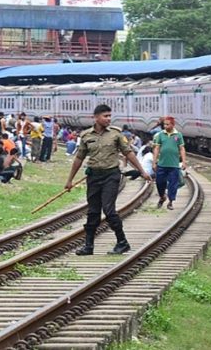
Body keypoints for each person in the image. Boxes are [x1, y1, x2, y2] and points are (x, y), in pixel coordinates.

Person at [64, 104, 152, 255]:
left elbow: (129, 153)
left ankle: (122, 242)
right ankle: (88, 246)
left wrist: (142, 171)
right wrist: (70, 180)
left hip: (111, 176)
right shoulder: (86, 136)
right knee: (93, 212)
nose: (108, 119)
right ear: (96, 117)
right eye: (105, 116)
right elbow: (79, 158)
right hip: (93, 177)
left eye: (110, 116)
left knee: (109, 210)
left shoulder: (116, 134)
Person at [152, 116, 187, 210]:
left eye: (167, 124)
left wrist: (184, 162)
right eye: (164, 124)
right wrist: (154, 162)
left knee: (173, 184)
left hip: (174, 165)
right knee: (159, 183)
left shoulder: (178, 135)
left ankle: (171, 202)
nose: (165, 126)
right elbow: (157, 148)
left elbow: (182, 149)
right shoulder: (160, 135)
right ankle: (162, 196)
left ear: (172, 125)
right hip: (162, 164)